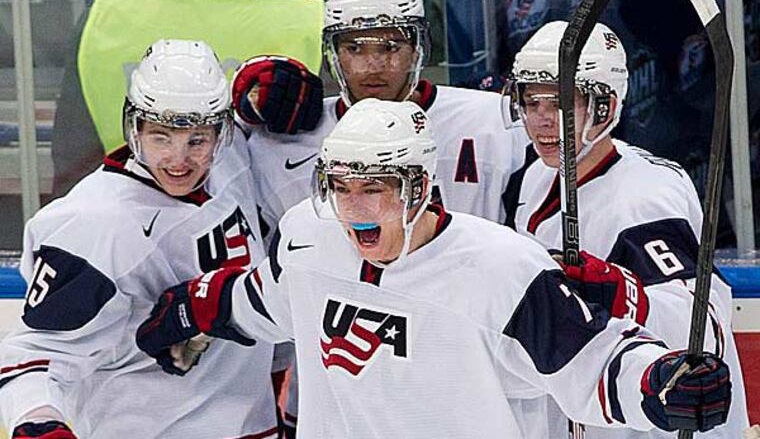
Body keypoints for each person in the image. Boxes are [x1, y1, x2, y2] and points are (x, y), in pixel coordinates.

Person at [136, 98, 732, 438]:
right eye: (340, 187)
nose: (355, 208)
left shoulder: (501, 269)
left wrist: (658, 382)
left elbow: (593, 360)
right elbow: (267, 301)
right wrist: (196, 310)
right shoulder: (310, 234)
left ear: (421, 186)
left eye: (376, 188)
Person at [0, 40, 281, 439]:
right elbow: (35, 354)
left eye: (196, 140)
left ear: (221, 132)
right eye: (160, 137)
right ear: (134, 128)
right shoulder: (94, 223)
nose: (178, 160)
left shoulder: (230, 165)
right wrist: (39, 421)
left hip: (255, 424)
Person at [503, 20, 749, 437]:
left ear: (607, 106)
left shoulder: (644, 198)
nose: (542, 120)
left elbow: (704, 328)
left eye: (561, 102)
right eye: (532, 102)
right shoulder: (537, 179)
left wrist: (622, 291)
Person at [234, 0, 530, 237]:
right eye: (355, 48)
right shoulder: (282, 142)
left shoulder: (492, 122)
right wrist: (243, 108)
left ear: (417, 49)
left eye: (390, 47)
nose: (373, 66)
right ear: (334, 54)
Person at [52, 0, 325, 198]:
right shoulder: (310, 18)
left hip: (126, 233)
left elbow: (73, 169)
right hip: (265, 236)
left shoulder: (104, 15)